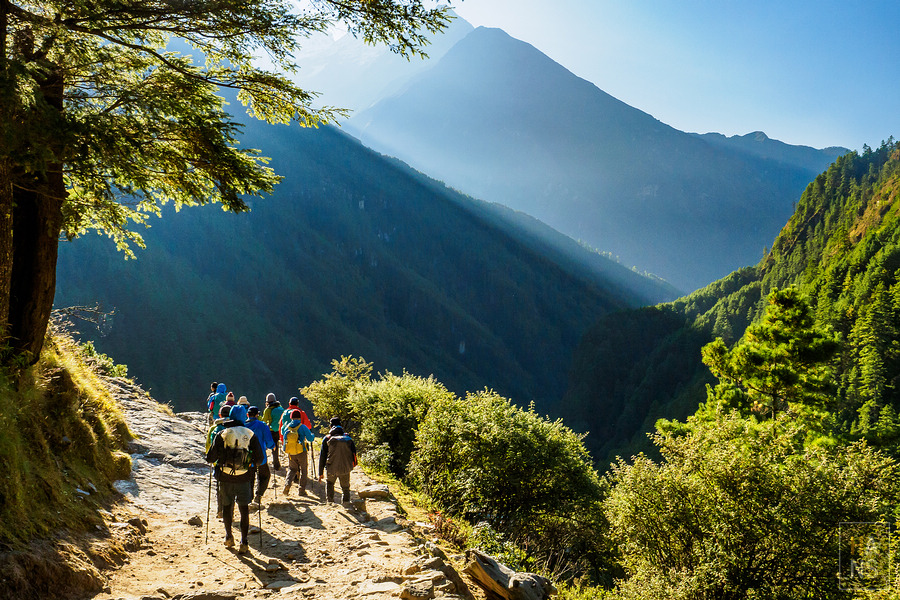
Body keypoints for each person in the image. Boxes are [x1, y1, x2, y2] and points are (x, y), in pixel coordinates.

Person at [205, 404, 263, 554]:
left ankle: (229, 536)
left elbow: (210, 458)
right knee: (243, 509)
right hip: (244, 477)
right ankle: (244, 541)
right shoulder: (250, 434)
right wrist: (249, 465)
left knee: (227, 507)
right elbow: (260, 458)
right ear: (244, 416)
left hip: (225, 476)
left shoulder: (223, 433)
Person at [317, 417, 357, 505]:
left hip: (331, 467)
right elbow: (354, 452)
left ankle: (330, 503)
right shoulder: (347, 437)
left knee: (330, 484)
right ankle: (346, 504)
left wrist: (320, 473)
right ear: (341, 425)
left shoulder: (327, 438)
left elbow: (322, 456)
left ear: (331, 426)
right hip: (345, 467)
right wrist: (352, 465)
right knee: (345, 487)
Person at [245, 405, 274, 506]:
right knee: (265, 476)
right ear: (257, 415)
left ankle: (249, 499)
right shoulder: (262, 425)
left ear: (247, 414)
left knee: (250, 479)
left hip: (247, 458)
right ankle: (259, 495)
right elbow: (269, 441)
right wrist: (273, 446)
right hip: (260, 456)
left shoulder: (243, 426)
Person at [281, 409, 315, 496]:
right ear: (299, 417)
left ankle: (287, 484)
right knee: (304, 470)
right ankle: (301, 490)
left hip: (291, 452)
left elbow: (283, 437)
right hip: (301, 451)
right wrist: (313, 435)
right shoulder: (302, 427)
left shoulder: (287, 427)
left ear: (291, 417)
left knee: (292, 469)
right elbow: (310, 438)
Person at [262, 394, 284, 471]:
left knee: (274, 447)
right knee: (277, 446)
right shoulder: (281, 408)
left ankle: (276, 464)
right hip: (281, 431)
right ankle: (277, 464)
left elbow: (264, 422)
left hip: (272, 431)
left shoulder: (268, 410)